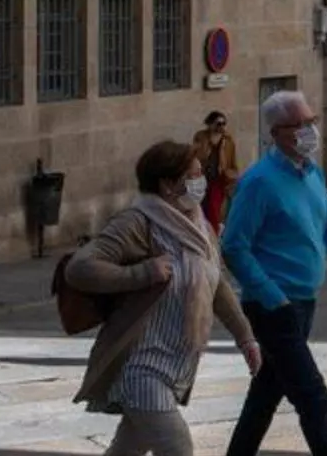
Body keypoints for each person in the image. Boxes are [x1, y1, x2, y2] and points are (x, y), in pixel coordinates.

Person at [66, 141, 262, 456]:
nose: (201, 181)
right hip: (141, 365)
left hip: (175, 366)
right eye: (193, 175)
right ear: (168, 184)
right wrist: (142, 273)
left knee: (127, 449)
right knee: (177, 447)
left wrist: (245, 337)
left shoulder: (199, 226)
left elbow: (216, 284)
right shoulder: (138, 222)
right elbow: (79, 268)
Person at [221, 91, 327, 456]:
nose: (310, 131)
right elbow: (233, 247)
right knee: (312, 395)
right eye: (300, 125)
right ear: (276, 133)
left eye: (312, 121)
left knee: (267, 392)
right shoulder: (259, 182)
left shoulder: (311, 173)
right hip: (272, 307)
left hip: (305, 302)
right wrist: (271, 295)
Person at [188, 111, 239, 234]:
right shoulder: (201, 137)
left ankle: (214, 235)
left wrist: (233, 175)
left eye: (224, 123)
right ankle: (203, 233)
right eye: (218, 123)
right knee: (200, 208)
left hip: (219, 179)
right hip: (202, 177)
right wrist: (209, 143)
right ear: (210, 124)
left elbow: (232, 160)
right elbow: (196, 155)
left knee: (214, 209)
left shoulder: (228, 140)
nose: (222, 127)